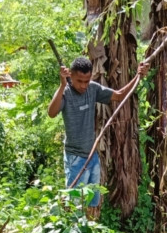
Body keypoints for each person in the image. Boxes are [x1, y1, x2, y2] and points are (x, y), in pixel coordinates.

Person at [47, 56, 149, 217]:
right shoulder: (65, 93)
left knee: (92, 203)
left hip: (92, 156)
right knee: (74, 207)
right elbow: (51, 113)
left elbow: (119, 95)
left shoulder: (92, 89)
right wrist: (61, 85)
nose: (83, 85)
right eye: (79, 81)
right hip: (75, 159)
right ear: (70, 76)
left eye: (87, 81)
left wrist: (138, 76)